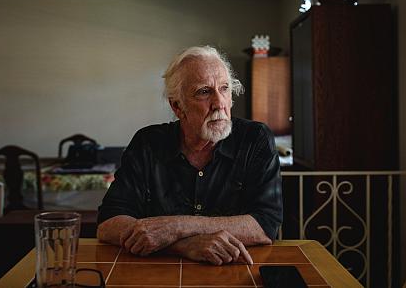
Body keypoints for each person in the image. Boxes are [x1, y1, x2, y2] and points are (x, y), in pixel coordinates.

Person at [97, 45, 282, 265]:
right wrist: (184, 245)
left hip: (236, 272)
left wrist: (176, 227)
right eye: (204, 92)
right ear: (177, 106)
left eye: (224, 88)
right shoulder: (148, 143)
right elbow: (108, 222)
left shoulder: (255, 138)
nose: (219, 103)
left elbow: (265, 225)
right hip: (159, 276)